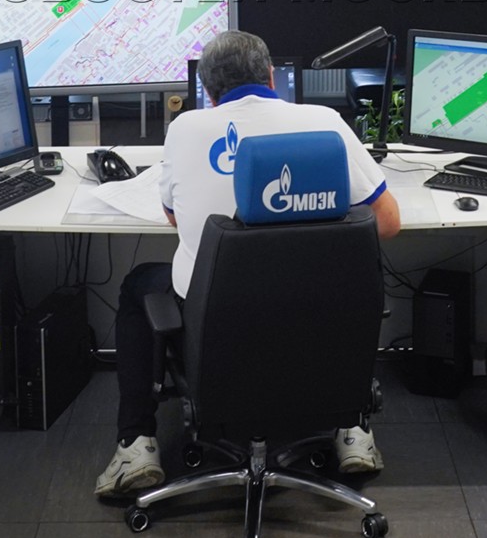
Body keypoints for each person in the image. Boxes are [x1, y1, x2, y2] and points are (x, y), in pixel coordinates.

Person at [95, 31, 401, 499]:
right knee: (354, 273)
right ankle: (351, 425)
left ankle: (135, 444)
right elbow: (388, 222)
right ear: (272, 76)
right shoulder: (324, 123)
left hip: (217, 327)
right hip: (318, 324)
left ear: (208, 91)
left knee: (139, 284)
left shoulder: (186, 129)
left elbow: (174, 218)